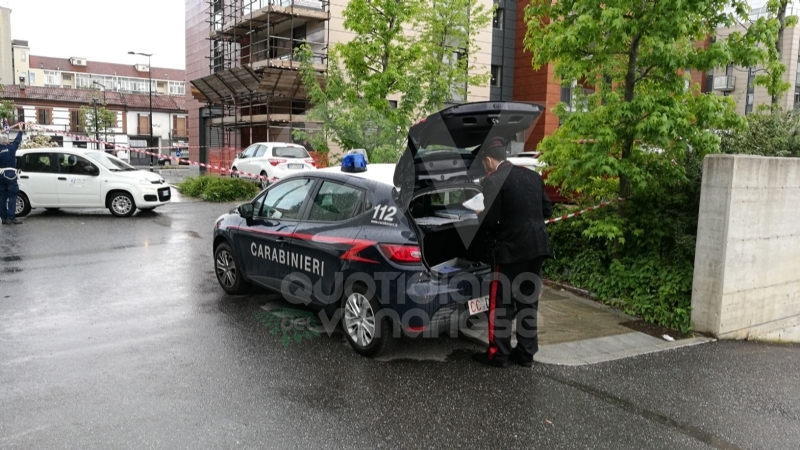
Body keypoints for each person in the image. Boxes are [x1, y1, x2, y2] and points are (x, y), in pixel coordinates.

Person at [471, 137, 553, 368]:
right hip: (537, 248)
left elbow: (490, 221)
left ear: (488, 160)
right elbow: (546, 209)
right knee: (528, 302)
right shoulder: (531, 176)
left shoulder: (494, 180)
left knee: (501, 304)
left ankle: (498, 354)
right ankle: (526, 354)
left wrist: (478, 213)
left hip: (510, 252)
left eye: (484, 164)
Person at [0, 129, 24, 225]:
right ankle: (11, 217)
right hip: (10, 174)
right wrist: (20, 130)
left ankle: (4, 218)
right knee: (12, 195)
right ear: (7, 141)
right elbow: (17, 140)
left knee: (2, 197)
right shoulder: (11, 148)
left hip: (1, 174)